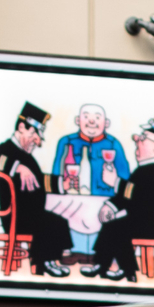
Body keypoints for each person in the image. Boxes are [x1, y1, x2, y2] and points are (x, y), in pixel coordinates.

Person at [0, 101, 72, 277]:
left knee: (57, 221)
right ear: (21, 127)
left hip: (31, 214)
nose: (37, 140)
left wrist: (61, 184)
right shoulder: (6, 149)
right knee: (51, 223)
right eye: (34, 133)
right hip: (16, 217)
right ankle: (44, 263)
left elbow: (37, 180)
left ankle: (52, 260)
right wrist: (17, 168)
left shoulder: (26, 156)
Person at [96, 113, 154, 286]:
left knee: (117, 227)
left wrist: (115, 181)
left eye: (143, 138)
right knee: (113, 225)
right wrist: (110, 206)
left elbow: (140, 196)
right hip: (138, 220)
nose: (136, 140)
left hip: (150, 224)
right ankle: (101, 265)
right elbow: (127, 195)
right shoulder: (142, 169)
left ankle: (127, 271)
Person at [50, 103, 130, 270]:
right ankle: (71, 251)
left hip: (105, 200)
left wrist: (114, 179)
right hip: (72, 196)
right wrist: (62, 183)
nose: (91, 122)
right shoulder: (66, 142)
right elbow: (56, 172)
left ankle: (99, 253)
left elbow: (125, 178)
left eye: (97, 118)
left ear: (106, 123)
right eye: (86, 117)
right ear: (78, 120)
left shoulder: (114, 145)